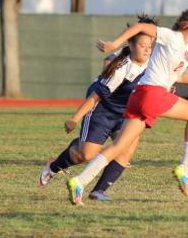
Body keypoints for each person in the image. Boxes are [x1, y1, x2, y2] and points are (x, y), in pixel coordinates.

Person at [67, 8, 188, 205]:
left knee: (119, 147)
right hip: (153, 94)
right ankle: (185, 169)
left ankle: (79, 182)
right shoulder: (172, 37)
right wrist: (114, 44)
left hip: (139, 97)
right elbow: (141, 27)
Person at [39, 15, 157, 201]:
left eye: (150, 46)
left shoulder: (154, 62)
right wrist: (75, 118)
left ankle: (98, 191)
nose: (148, 50)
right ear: (131, 45)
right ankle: (54, 166)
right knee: (85, 154)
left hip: (126, 113)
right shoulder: (121, 67)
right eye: (143, 45)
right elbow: (95, 96)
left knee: (126, 149)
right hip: (102, 109)